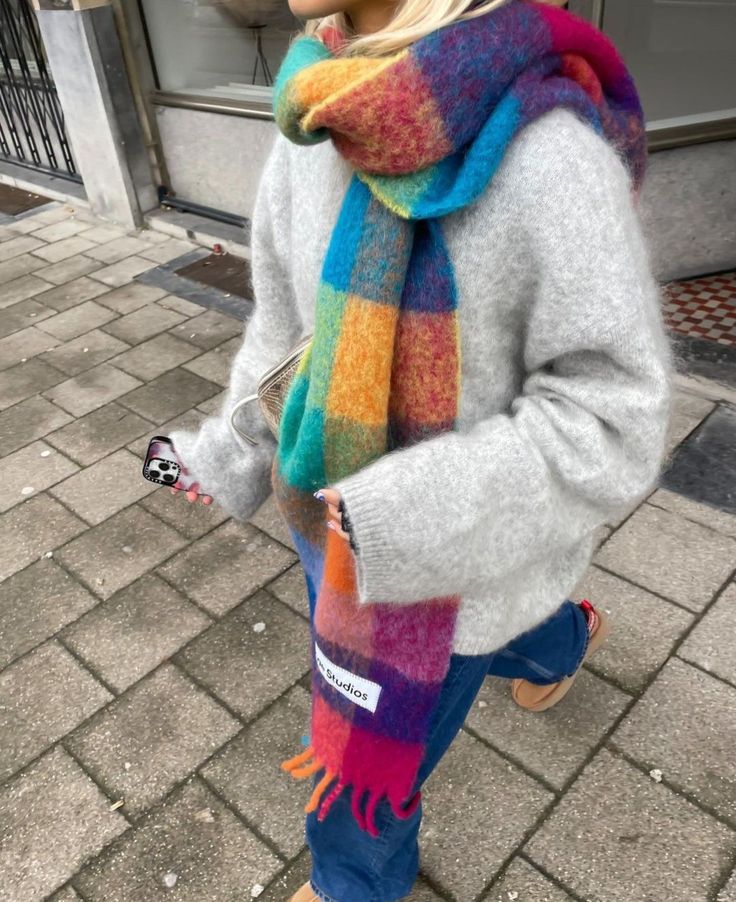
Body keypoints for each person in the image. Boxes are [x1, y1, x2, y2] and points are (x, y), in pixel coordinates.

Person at [169, 0, 673, 898]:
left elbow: (611, 415)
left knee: (362, 770)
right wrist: (238, 447)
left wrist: (404, 516)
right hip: (324, 518)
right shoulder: (315, 106)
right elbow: (286, 327)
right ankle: (558, 641)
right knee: (513, 627)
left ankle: (350, 887)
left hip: (450, 566)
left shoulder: (547, 154)